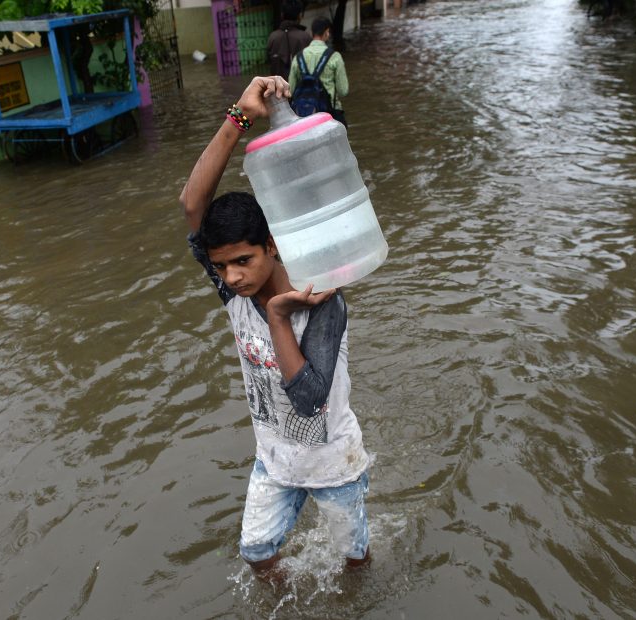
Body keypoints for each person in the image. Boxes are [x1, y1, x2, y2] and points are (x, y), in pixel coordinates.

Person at [179, 75, 371, 579]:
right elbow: (191, 206)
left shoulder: (322, 300)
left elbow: (308, 397)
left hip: (334, 463)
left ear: (273, 244)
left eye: (242, 260)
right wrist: (239, 118)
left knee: (354, 560)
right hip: (275, 461)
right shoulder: (233, 289)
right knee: (257, 554)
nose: (232, 276)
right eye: (221, 267)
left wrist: (280, 316)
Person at [288, 15, 349, 126]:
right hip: (330, 116)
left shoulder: (298, 58)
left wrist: (246, 119)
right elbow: (343, 90)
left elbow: (290, 91)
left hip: (304, 116)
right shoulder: (335, 57)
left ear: (311, 33)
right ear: (327, 33)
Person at [267, 0, 311, 80]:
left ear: (282, 15)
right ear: (300, 15)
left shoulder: (273, 37)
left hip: (279, 87)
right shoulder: (305, 37)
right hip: (301, 88)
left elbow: (270, 62)